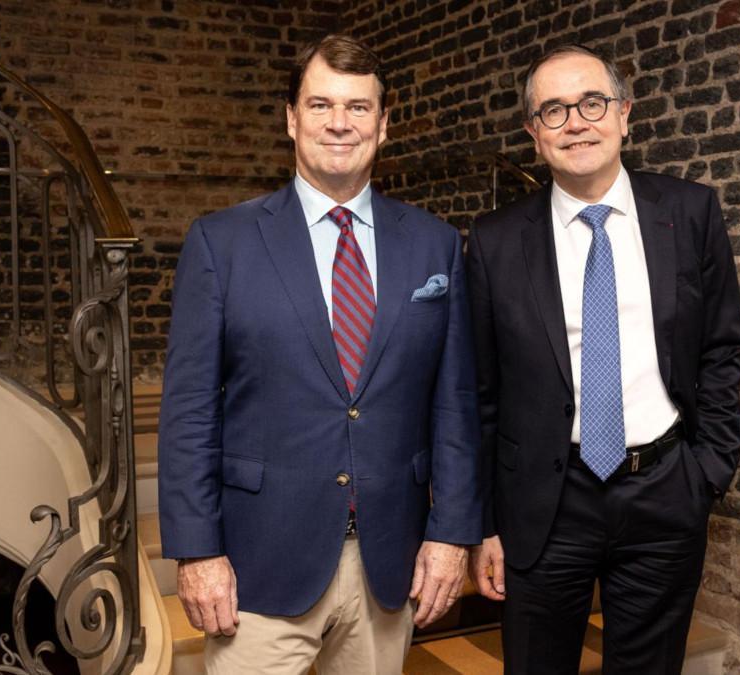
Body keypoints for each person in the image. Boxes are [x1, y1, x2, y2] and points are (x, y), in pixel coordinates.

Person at [158, 34, 480, 675]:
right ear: (291, 118)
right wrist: (197, 553)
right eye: (320, 104)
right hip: (258, 564)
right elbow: (189, 411)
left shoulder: (435, 246)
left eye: (359, 108)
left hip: (389, 560)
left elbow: (456, 406)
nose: (339, 123)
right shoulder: (221, 244)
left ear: (384, 125)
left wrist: (451, 533)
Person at [466, 44, 740, 674]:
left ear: (624, 115)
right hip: (545, 500)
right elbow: (480, 392)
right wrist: (485, 523)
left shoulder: (690, 213)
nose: (577, 122)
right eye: (554, 111)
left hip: (665, 491)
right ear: (534, 135)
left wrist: (708, 471)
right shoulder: (494, 241)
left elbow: (723, 349)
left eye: (591, 103)